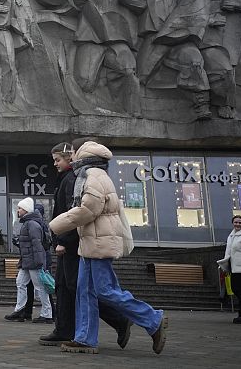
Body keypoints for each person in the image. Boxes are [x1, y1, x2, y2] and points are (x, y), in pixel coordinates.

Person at [49, 141, 167, 355]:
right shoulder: (90, 174)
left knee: (105, 290)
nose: (71, 156)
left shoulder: (93, 176)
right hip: (91, 242)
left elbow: (88, 209)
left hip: (99, 242)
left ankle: (152, 318)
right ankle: (85, 339)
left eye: (74, 152)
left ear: (83, 154)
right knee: (85, 291)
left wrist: (56, 225)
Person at [39, 143, 131, 347]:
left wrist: (63, 240)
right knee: (64, 286)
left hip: (74, 244)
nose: (55, 164)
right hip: (72, 242)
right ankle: (65, 329)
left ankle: (119, 319)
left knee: (79, 287)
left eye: (58, 159)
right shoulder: (69, 178)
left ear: (70, 158)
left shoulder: (75, 179)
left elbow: (76, 212)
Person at [3, 197, 53, 323]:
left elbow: (37, 245)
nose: (18, 210)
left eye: (20, 208)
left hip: (33, 261)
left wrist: (39, 262)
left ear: (26, 210)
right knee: (20, 283)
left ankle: (47, 314)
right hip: (27, 261)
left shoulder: (32, 224)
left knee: (39, 287)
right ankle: (20, 310)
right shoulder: (28, 223)